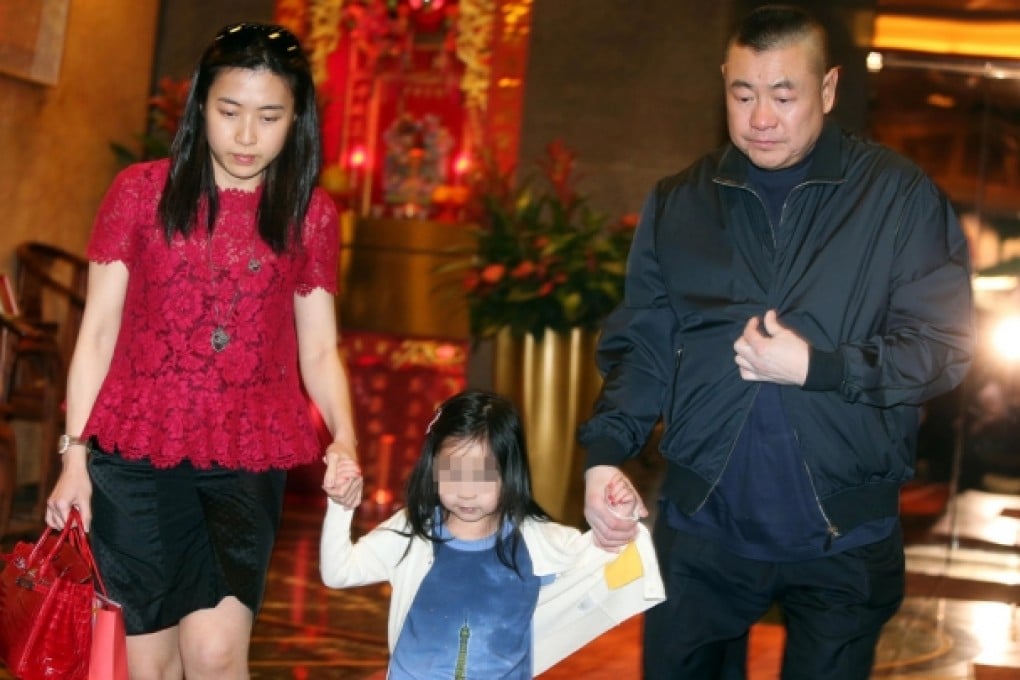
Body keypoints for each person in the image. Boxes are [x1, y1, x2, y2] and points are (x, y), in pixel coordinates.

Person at [577, 5, 975, 679]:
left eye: (784, 95)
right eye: (743, 93)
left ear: (826, 89)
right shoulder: (682, 201)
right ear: (724, 85)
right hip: (703, 523)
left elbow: (942, 347)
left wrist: (819, 367)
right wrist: (605, 454)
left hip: (844, 532)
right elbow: (643, 342)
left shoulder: (898, 199)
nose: (761, 117)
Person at [44, 22, 363, 680]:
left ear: (297, 119)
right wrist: (74, 457)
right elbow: (98, 333)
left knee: (217, 656)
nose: (246, 137)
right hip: (132, 455)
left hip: (245, 456)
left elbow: (320, 348)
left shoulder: (310, 214)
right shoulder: (139, 192)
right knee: (146, 663)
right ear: (200, 108)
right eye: (230, 112)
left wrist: (346, 439)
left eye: (269, 117)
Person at [320, 389, 664, 678]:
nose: (467, 492)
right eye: (453, 474)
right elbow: (339, 573)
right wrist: (340, 506)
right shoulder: (414, 531)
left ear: (509, 472)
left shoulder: (537, 542)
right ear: (433, 469)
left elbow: (607, 553)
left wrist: (619, 509)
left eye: (483, 475)